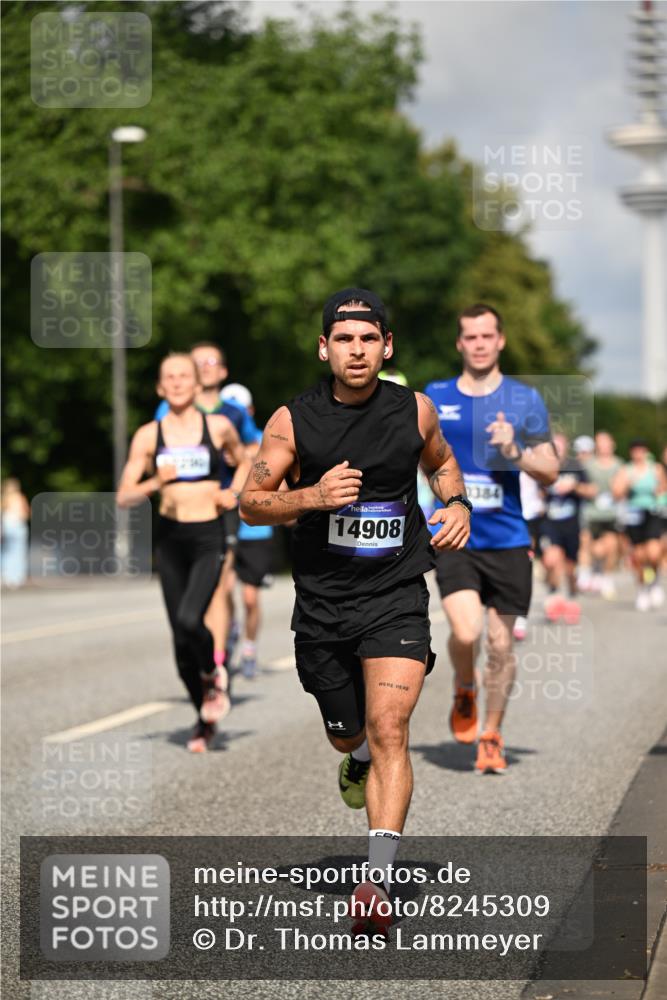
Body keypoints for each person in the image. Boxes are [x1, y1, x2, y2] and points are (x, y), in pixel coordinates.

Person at [240, 287, 470, 929]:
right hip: (322, 604)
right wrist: (312, 497)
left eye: (369, 339)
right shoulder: (293, 420)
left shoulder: (415, 410)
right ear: (325, 348)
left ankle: (378, 882)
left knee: (391, 725)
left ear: (386, 347)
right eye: (344, 339)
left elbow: (443, 463)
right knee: (351, 731)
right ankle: (357, 755)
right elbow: (251, 503)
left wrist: (456, 505)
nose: (357, 350)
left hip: (396, 594)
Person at [425, 303, 558, 775]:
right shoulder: (434, 396)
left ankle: (491, 733)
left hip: (507, 538)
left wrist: (512, 451)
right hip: (454, 535)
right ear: (460, 343)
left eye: (487, 336)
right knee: (467, 631)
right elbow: (411, 456)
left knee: (501, 647)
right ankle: (464, 684)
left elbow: (550, 471)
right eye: (470, 337)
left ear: (500, 340)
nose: (479, 344)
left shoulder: (524, 400)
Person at [118, 354, 249, 751]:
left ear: (197, 385)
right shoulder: (148, 435)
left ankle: (214, 670)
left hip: (209, 535)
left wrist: (234, 492)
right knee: (179, 641)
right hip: (171, 540)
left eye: (183, 377)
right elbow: (124, 495)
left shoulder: (219, 426)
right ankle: (203, 718)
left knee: (191, 617)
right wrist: (157, 479)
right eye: (168, 378)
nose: (176, 383)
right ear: (160, 388)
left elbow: (246, 462)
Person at [221, 384, 275, 680]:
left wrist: (244, 457)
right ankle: (229, 629)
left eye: (239, 411)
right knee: (222, 590)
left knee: (251, 599)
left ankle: (250, 648)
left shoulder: (260, 440)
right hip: (223, 526)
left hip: (254, 531)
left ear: (250, 412)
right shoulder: (215, 436)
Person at [539, 432, 597, 624]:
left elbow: (592, 491)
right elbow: (536, 494)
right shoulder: (543, 467)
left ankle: (572, 596)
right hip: (550, 523)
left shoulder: (576, 467)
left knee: (571, 568)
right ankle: (553, 595)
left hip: (571, 523)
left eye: (560, 446)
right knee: (551, 559)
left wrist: (574, 486)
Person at [613, 439, 667, 611]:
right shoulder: (626, 470)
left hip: (652, 512)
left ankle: (655, 581)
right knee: (639, 556)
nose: (638, 453)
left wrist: (659, 492)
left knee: (654, 551)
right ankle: (642, 589)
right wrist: (628, 485)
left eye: (641, 450)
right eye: (635, 450)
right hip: (633, 514)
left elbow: (664, 487)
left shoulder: (655, 468)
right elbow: (616, 492)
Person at [578, 431, 622, 599]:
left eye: (606, 442)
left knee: (610, 547)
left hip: (610, 513)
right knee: (586, 541)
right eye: (600, 443)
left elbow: (622, 488)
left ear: (612, 444)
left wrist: (618, 490)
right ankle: (585, 572)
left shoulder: (619, 465)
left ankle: (607, 577)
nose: (603, 446)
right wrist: (587, 490)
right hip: (590, 512)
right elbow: (579, 484)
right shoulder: (588, 464)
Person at [1, 478, 30, 588]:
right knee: (19, 552)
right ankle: (16, 578)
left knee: (6, 552)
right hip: (17, 525)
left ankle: (6, 576)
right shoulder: (20, 497)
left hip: (7, 526)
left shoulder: (4, 499)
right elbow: (26, 513)